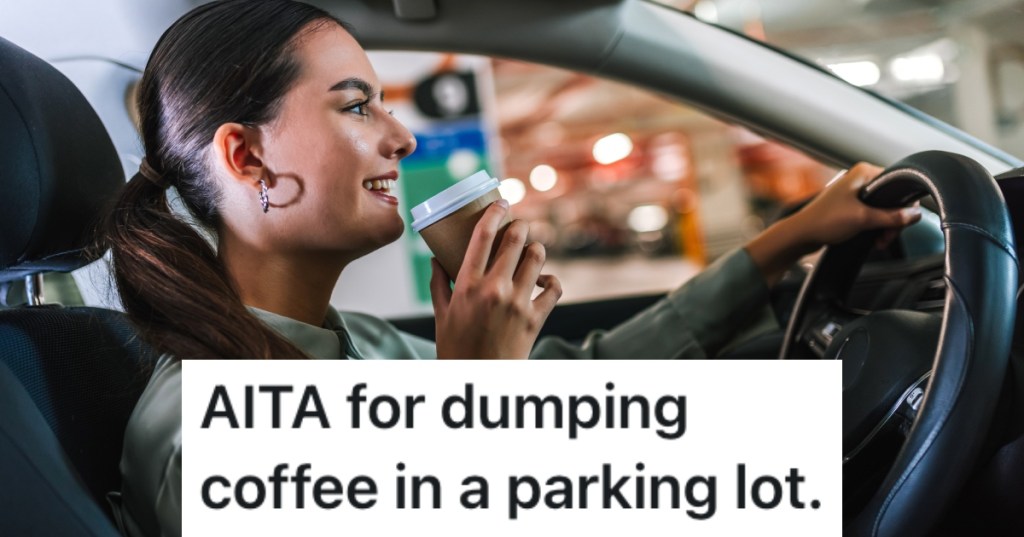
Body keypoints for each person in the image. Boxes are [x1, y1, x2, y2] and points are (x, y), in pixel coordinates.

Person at [104, 1, 921, 536]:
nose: (402, 136)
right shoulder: (203, 434)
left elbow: (591, 380)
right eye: (357, 105)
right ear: (247, 157)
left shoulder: (363, 348)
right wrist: (478, 395)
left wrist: (789, 239)